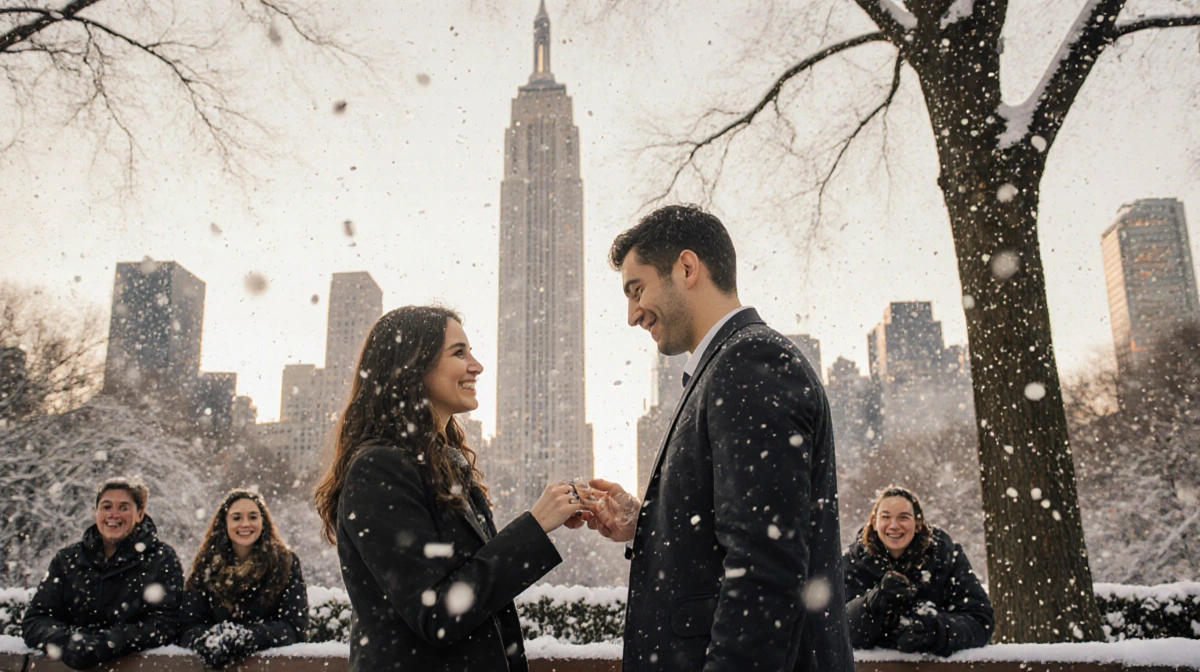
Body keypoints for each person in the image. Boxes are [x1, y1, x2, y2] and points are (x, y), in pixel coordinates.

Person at [586, 204, 855, 671]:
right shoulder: (727, 366)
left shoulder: (749, 362)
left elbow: (764, 568)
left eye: (637, 289)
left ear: (687, 268)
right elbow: (737, 530)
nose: (631, 315)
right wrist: (648, 521)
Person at [314, 305, 586, 672]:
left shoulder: (443, 464)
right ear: (414, 366)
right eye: (459, 352)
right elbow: (437, 613)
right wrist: (534, 527)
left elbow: (471, 588)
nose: (476, 365)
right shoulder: (379, 469)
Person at [22, 476, 183, 670]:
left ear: (140, 514)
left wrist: (109, 642)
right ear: (96, 512)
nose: (113, 514)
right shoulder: (67, 559)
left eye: (123, 507)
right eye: (107, 507)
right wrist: (69, 642)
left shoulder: (161, 559)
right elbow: (36, 619)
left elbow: (165, 623)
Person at [842, 486, 994, 656]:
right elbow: (835, 627)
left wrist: (936, 630)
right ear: (874, 523)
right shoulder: (853, 561)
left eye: (903, 517)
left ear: (918, 524)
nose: (893, 525)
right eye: (885, 517)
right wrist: (872, 604)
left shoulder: (946, 557)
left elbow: (981, 623)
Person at [179, 489, 308, 669]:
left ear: (263, 521)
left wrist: (246, 637)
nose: (245, 524)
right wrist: (212, 641)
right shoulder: (206, 565)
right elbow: (189, 626)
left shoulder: (284, 563)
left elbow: (293, 628)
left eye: (253, 517)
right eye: (237, 517)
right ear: (224, 523)